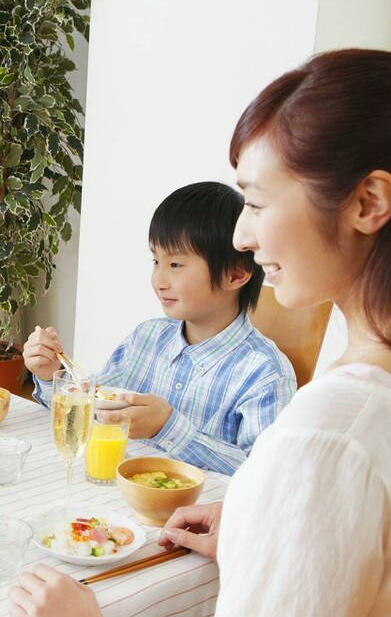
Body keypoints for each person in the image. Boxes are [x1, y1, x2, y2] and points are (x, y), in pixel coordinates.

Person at [4, 49, 391, 617]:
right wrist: (260, 533)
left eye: (257, 203)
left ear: (369, 203)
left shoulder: (331, 435)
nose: (242, 234)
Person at [24, 182, 296, 474]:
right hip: (116, 495)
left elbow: (266, 475)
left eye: (176, 264)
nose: (159, 280)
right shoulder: (147, 337)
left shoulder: (265, 373)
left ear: (236, 274)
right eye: (156, 260)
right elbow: (95, 407)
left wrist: (169, 429)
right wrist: (52, 375)